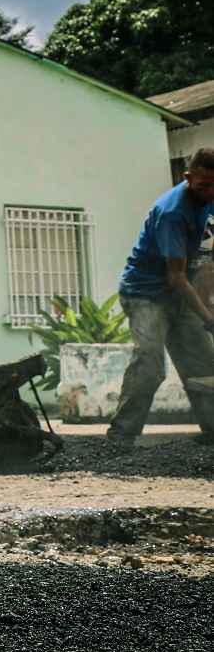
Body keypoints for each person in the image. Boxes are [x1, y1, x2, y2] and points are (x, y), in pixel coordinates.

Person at [108, 149, 214, 446]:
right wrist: (208, 318)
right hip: (147, 294)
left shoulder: (211, 202)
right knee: (150, 364)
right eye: (204, 185)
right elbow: (175, 275)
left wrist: (208, 308)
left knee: (205, 367)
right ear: (188, 178)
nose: (211, 192)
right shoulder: (173, 212)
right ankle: (121, 437)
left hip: (183, 296)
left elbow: (207, 258)